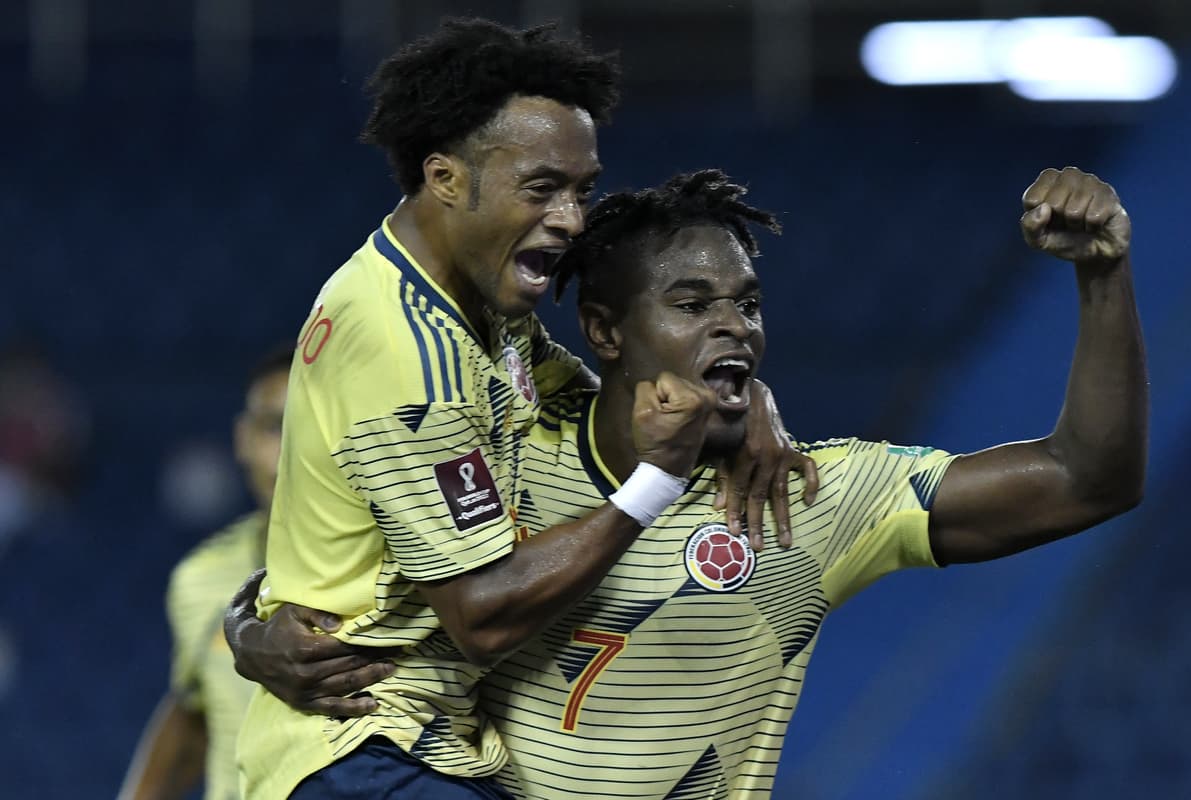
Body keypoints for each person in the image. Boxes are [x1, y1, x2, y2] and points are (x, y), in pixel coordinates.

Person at [229, 166, 1147, 797]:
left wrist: (1103, 275)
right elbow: (350, 564)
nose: (737, 328)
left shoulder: (808, 497)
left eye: (747, 304)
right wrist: (249, 626)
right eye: (693, 304)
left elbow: (1085, 478)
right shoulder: (509, 452)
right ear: (604, 330)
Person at [233, 20, 812, 800]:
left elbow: (612, 403)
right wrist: (656, 480)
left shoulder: (478, 304)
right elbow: (482, 613)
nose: (573, 219)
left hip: (414, 748)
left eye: (582, 188)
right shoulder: (403, 348)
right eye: (542, 188)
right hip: (361, 751)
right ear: (445, 178)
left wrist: (747, 402)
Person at [118, 346, 292, 800]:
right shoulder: (200, 578)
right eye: (275, 427)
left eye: (313, 425)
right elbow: (194, 711)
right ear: (243, 438)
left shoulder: (404, 569)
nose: (293, 449)